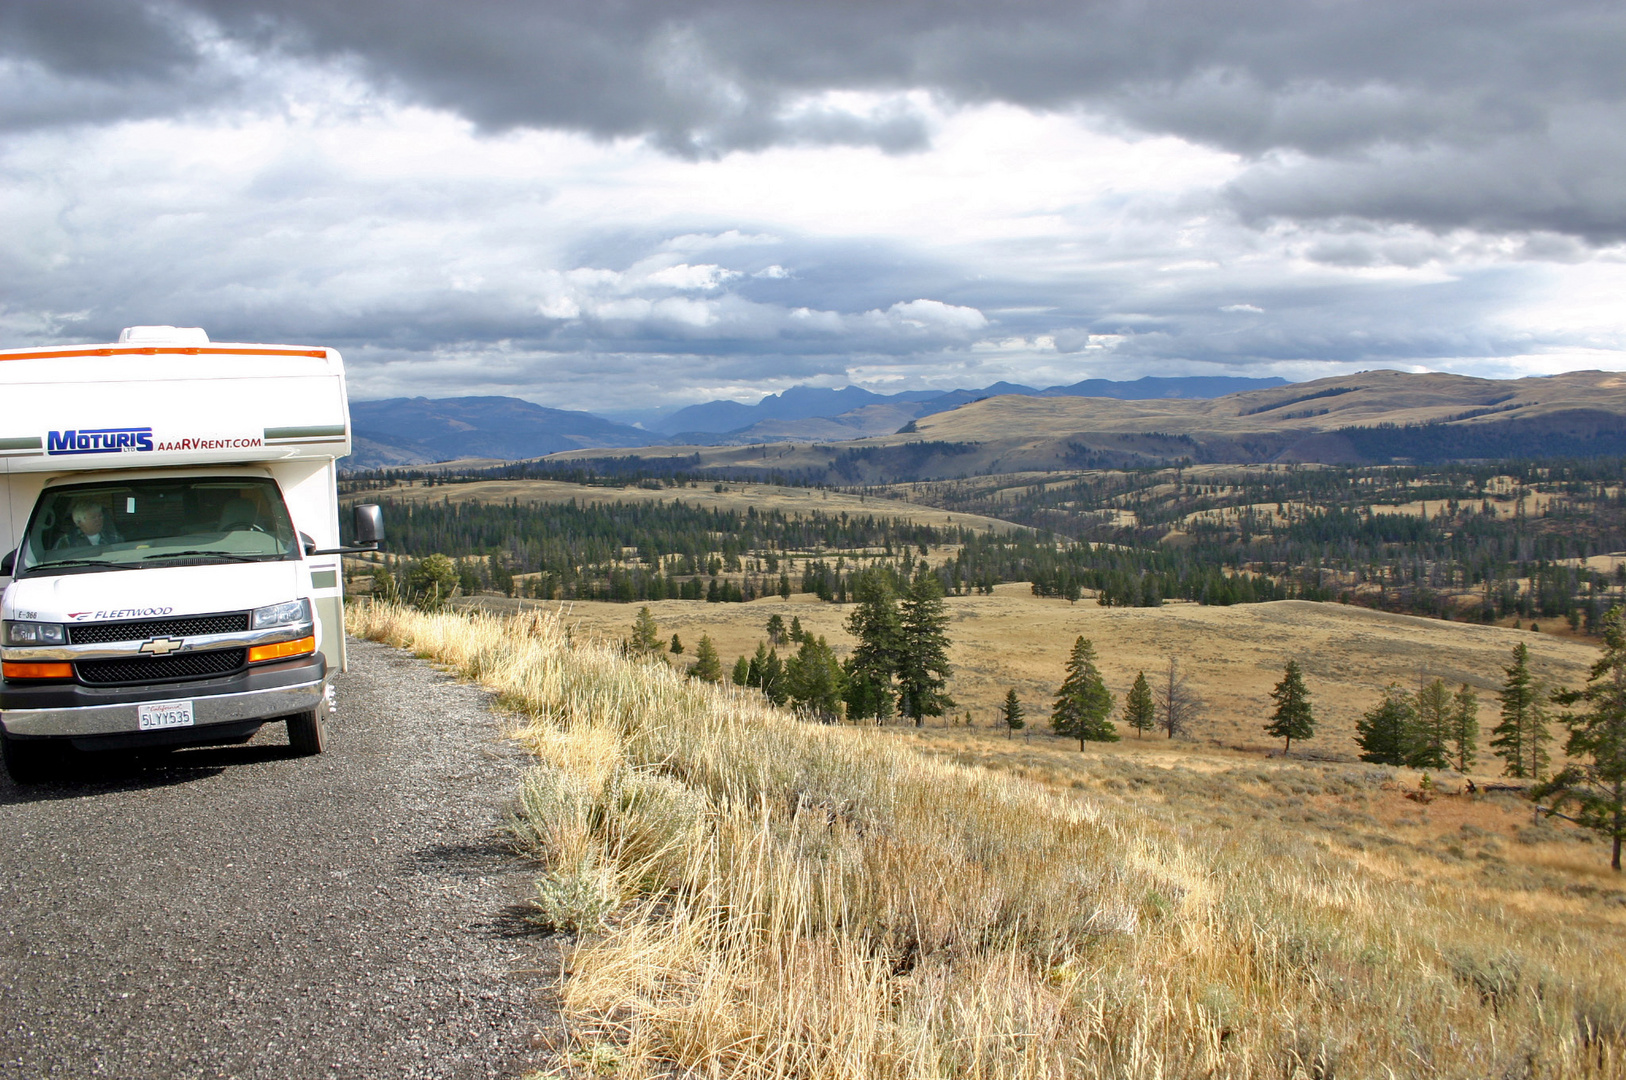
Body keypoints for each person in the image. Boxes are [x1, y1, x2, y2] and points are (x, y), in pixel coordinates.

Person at [57, 499, 122, 548]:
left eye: (100, 516)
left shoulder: (113, 537)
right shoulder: (67, 540)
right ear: (79, 522)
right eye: (93, 518)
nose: (98, 520)